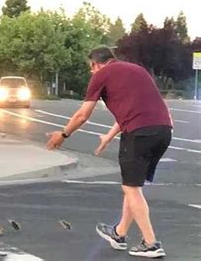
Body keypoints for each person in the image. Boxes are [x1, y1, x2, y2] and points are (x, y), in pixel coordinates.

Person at [46, 46, 172, 258]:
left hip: (139, 133)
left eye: (91, 68)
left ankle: (151, 243)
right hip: (163, 131)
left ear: (96, 63)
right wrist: (108, 136)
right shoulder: (137, 70)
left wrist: (64, 134)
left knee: (131, 188)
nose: (91, 72)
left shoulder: (101, 75)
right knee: (133, 186)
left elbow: (82, 114)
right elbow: (135, 109)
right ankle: (119, 233)